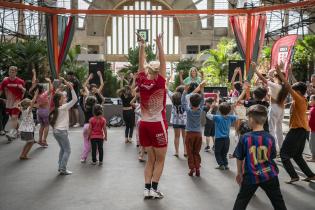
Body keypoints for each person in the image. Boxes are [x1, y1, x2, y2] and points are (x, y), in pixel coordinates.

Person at [233, 105, 287, 210]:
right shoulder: (270, 138)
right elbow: (272, 155)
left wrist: (239, 173)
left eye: (248, 118)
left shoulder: (245, 138)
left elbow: (239, 157)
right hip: (269, 175)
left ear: (252, 119)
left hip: (251, 176)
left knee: (241, 201)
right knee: (278, 202)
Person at [136, 33, 167, 199]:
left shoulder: (141, 81)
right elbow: (163, 61)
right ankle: (154, 189)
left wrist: (142, 45)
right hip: (156, 125)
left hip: (144, 125)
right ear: (158, 72)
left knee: (150, 159)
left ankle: (147, 189)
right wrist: (159, 43)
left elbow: (140, 65)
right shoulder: (160, 82)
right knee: (160, 160)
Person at [275, 67, 315, 183]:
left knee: (284, 154)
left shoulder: (298, 98)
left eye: (293, 91)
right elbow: (295, 85)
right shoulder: (302, 99)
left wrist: (279, 73)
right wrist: (290, 72)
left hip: (297, 130)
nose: (291, 93)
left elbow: (288, 85)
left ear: (297, 92)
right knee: (297, 155)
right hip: (303, 130)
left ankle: (294, 176)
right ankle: (310, 175)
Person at [253, 62, 288, 152]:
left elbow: (263, 79)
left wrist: (255, 69)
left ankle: (274, 149)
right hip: (281, 109)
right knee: (279, 129)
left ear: (277, 77)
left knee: (272, 129)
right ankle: (281, 148)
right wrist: (279, 69)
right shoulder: (284, 86)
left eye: (274, 77)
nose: (272, 78)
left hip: (274, 108)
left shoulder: (275, 85)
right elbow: (270, 77)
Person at [49, 79, 77, 175]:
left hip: (56, 132)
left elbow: (56, 95)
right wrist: (72, 88)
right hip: (62, 132)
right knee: (67, 150)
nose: (65, 98)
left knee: (62, 149)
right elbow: (75, 100)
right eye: (64, 97)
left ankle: (60, 166)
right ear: (60, 100)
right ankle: (63, 168)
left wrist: (61, 89)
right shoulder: (64, 107)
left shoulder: (57, 108)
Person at [181, 82, 206, 176]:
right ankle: (198, 167)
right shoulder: (201, 110)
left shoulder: (188, 111)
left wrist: (185, 91)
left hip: (189, 134)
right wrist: (202, 90)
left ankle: (192, 169)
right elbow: (203, 100)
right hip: (198, 134)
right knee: (196, 152)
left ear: (190, 102)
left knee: (190, 152)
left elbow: (183, 102)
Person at [207, 102, 238, 170]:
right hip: (227, 139)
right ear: (229, 110)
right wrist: (234, 109)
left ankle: (221, 164)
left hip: (218, 139)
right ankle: (225, 164)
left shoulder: (217, 117)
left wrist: (211, 108)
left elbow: (208, 115)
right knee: (224, 152)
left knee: (217, 152)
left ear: (219, 110)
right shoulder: (231, 117)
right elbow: (237, 116)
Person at [0, 66, 25, 141]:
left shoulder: (20, 81)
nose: (11, 72)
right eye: (10, 71)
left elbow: (24, 92)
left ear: (16, 72)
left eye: (13, 71)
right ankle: (18, 131)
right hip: (9, 102)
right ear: (8, 71)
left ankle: (12, 133)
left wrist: (22, 89)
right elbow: (1, 90)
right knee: (14, 118)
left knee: (14, 117)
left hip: (17, 101)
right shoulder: (5, 81)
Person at [18, 90, 39, 160]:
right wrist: (35, 95)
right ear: (28, 105)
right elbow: (33, 102)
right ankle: (23, 155)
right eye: (30, 103)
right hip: (27, 129)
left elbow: (20, 104)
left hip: (25, 129)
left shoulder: (22, 109)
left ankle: (23, 155)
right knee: (31, 142)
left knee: (29, 142)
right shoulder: (28, 110)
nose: (31, 104)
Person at [168, 87, 187, 157]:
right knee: (185, 137)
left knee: (176, 136)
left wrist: (166, 81)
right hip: (184, 121)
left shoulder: (173, 97)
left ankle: (176, 152)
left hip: (175, 121)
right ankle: (185, 151)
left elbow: (167, 90)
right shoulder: (186, 98)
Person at [36, 78, 53, 147]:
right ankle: (44, 140)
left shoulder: (36, 95)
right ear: (42, 89)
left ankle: (40, 140)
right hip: (45, 111)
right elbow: (51, 89)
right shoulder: (44, 94)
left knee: (42, 126)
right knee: (46, 126)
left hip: (39, 111)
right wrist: (49, 81)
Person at [80, 95, 97, 163]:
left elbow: (81, 103)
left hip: (86, 126)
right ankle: (95, 157)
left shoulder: (85, 109)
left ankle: (83, 158)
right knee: (95, 143)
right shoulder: (95, 110)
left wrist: (81, 96)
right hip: (93, 126)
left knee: (86, 143)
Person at [308, 95, 315, 162]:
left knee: (312, 143)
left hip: (314, 130)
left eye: (311, 100)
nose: (309, 101)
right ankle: (313, 155)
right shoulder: (312, 108)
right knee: (311, 143)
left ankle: (313, 158)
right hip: (312, 129)